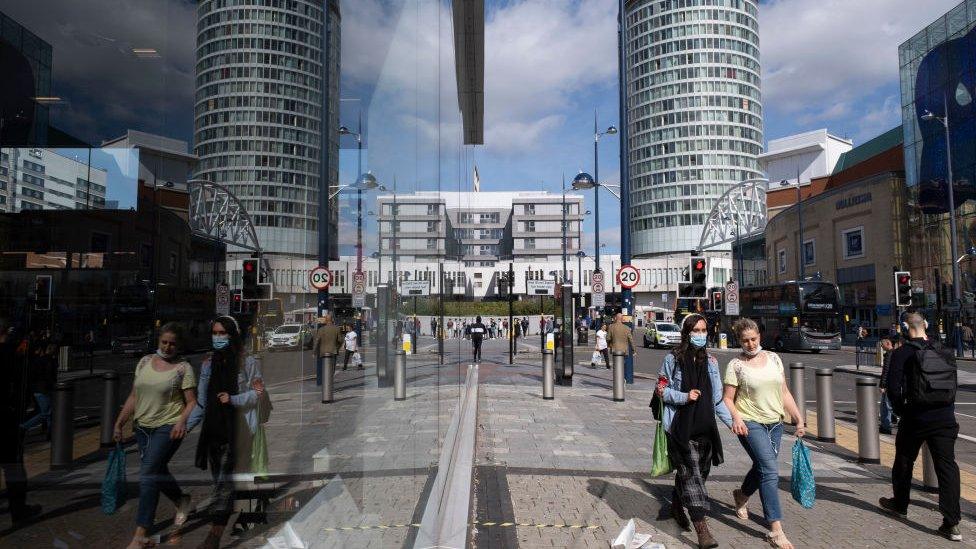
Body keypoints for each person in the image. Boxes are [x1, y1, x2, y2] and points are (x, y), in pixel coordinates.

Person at [112, 323, 197, 548]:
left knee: (148, 474)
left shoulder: (183, 368)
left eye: (173, 344)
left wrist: (181, 421)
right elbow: (133, 396)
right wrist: (119, 422)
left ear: (179, 345)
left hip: (167, 427)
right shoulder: (144, 362)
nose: (168, 347)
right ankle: (181, 500)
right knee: (157, 470)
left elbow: (191, 402)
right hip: (142, 427)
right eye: (164, 342)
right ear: (159, 341)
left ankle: (141, 535)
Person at [723, 317, 805, 549]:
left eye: (754, 339)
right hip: (750, 423)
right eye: (745, 340)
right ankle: (775, 530)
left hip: (775, 423)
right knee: (770, 470)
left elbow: (784, 392)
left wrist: (798, 418)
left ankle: (742, 494)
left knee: (761, 466)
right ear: (739, 340)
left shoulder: (774, 358)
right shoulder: (736, 365)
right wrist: (736, 418)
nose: (750, 344)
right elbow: (727, 399)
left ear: (760, 336)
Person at [880, 312, 962, 542]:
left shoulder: (901, 353)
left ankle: (900, 504)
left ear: (906, 328)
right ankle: (951, 523)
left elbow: (894, 390)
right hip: (945, 418)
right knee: (947, 468)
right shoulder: (943, 350)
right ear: (925, 325)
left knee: (904, 460)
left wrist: (902, 413)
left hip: (916, 417)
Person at [656, 314, 733, 548]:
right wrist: (684, 396)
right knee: (692, 476)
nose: (700, 335)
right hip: (680, 426)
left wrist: (733, 423)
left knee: (699, 474)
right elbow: (661, 390)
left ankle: (677, 505)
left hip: (705, 427)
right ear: (687, 332)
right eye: (696, 330)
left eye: (703, 330)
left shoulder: (711, 362)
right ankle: (703, 532)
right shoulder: (673, 359)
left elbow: (718, 399)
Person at [187, 316, 264, 549]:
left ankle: (214, 536)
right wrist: (184, 426)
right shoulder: (208, 364)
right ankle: (247, 512)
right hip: (212, 430)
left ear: (232, 335)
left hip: (237, 430)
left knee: (224, 483)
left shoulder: (247, 362)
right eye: (215, 333)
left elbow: (258, 394)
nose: (218, 337)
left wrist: (233, 399)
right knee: (221, 481)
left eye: (223, 333)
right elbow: (201, 401)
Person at [1, 319, 41, 524]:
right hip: (8, 418)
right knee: (13, 465)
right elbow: (23, 384)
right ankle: (18, 509)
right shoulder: (14, 355)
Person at [20, 342, 57, 437]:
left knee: (47, 411)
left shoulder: (37, 360)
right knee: (46, 413)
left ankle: (50, 431)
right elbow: (50, 376)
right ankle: (24, 426)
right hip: (44, 389)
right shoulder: (50, 361)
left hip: (36, 389)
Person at [879, 334, 902, 435]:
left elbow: (886, 370)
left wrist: (883, 385)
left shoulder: (890, 354)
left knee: (889, 406)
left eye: (882, 344)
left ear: (888, 343)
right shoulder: (895, 353)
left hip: (890, 384)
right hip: (893, 383)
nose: (881, 347)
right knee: (885, 405)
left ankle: (887, 426)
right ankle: (885, 425)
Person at [312, 316, 343, 384]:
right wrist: (337, 347)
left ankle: (326, 383)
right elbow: (340, 340)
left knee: (324, 367)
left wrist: (314, 352)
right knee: (332, 369)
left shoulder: (321, 329)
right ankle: (330, 383)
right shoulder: (336, 328)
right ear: (332, 320)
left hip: (323, 352)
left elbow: (317, 341)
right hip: (333, 351)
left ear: (326, 320)